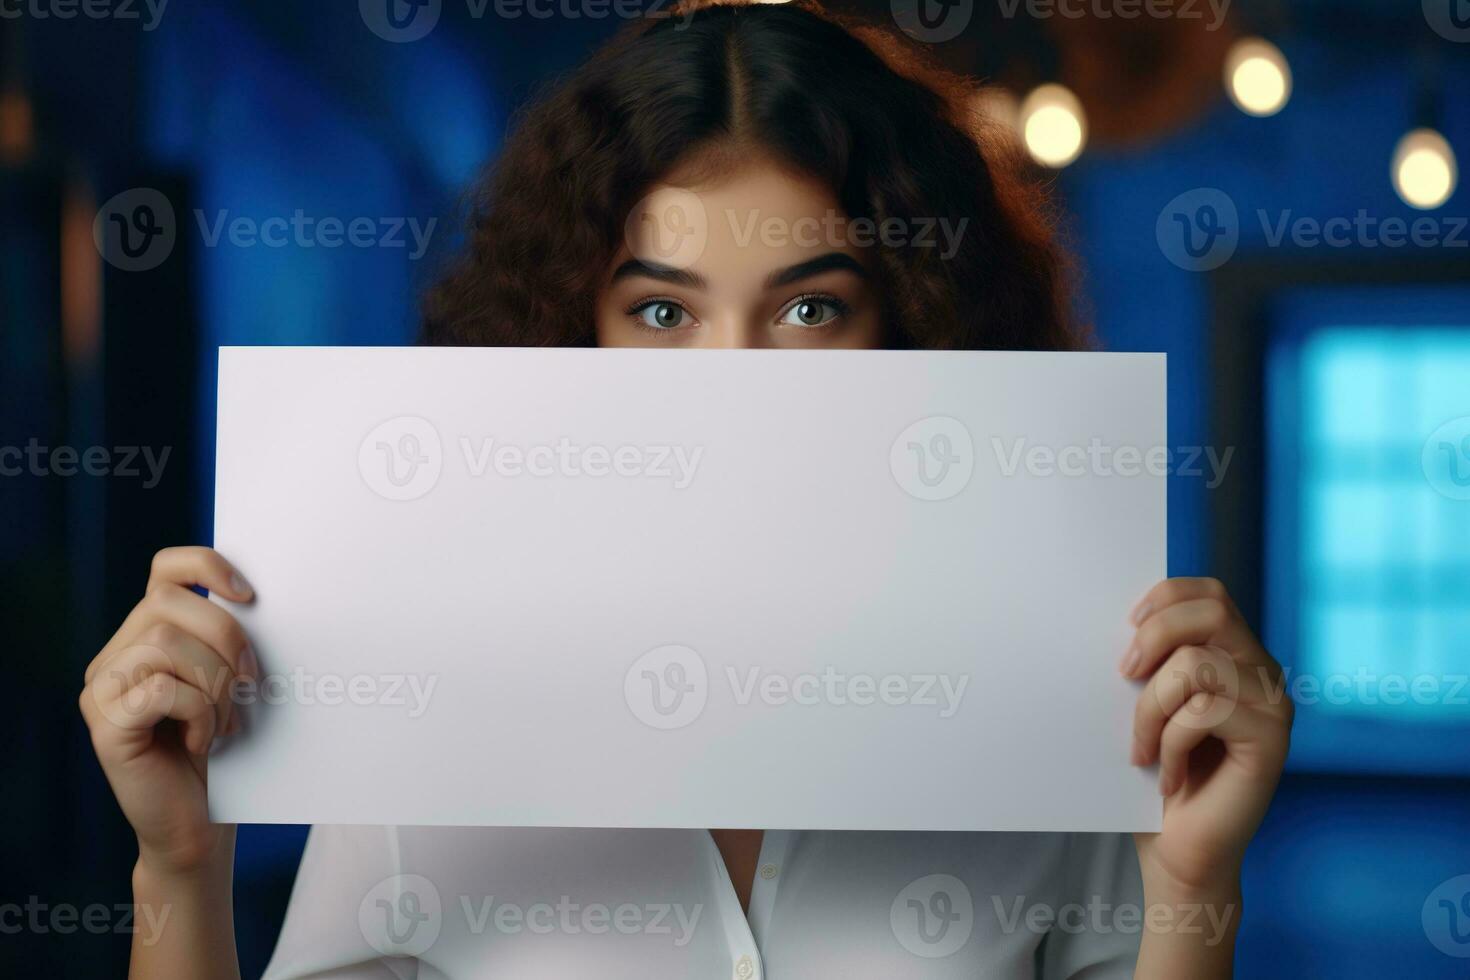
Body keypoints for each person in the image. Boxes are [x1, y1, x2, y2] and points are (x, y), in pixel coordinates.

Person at [78, 3, 1293, 977]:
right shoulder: (422, 720)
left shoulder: (1051, 708)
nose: (735, 378)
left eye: (811, 308)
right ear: (571, 335)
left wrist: (1195, 888)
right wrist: (177, 871)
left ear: (912, 334)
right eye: (662, 310)